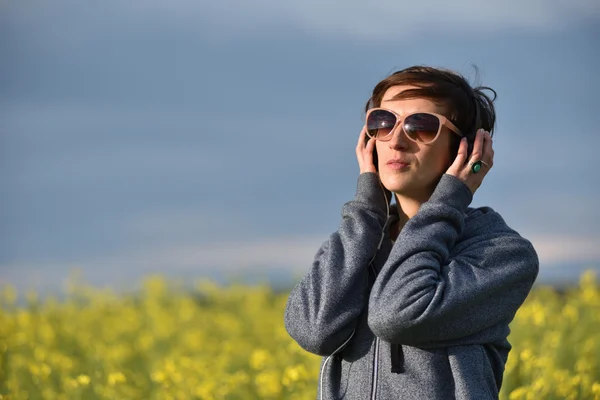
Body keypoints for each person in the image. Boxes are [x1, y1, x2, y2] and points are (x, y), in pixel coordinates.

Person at [284, 65, 539, 400]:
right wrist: (367, 211)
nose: (397, 140)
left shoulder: (501, 254)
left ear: (469, 148)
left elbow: (397, 315)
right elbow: (314, 332)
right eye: (383, 123)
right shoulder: (357, 240)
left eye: (420, 126)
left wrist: (451, 198)